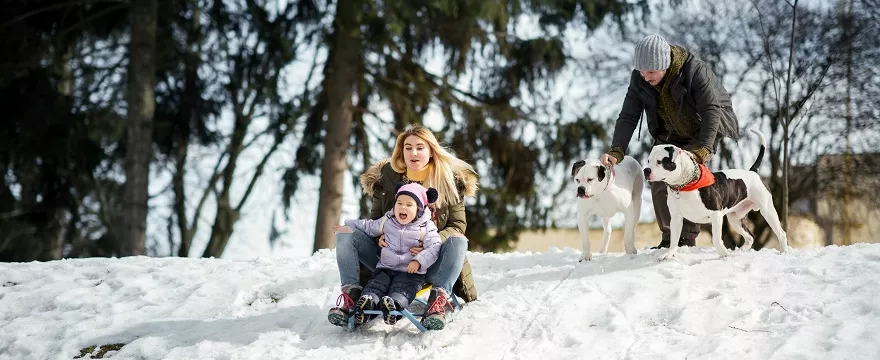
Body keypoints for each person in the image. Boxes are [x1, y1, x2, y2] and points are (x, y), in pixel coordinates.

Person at [328, 125, 479, 331]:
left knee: (459, 241)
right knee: (346, 234)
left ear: (431, 151)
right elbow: (375, 221)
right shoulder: (387, 177)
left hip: (428, 264)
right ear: (401, 151)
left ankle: (437, 303)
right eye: (408, 148)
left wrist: (427, 243)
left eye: (419, 147)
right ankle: (351, 297)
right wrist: (378, 237)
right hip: (388, 261)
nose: (413, 153)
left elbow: (457, 226)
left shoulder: (449, 180)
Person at [600, 34, 740, 249]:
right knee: (657, 176)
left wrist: (703, 148)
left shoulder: (694, 70)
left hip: (702, 129)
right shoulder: (639, 78)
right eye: (641, 71)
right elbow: (628, 115)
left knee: (686, 177)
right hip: (668, 132)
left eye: (651, 72)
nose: (645, 77)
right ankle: (669, 237)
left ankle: (687, 239)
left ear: (664, 64)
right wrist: (617, 150)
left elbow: (711, 110)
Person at [333, 183, 442, 326]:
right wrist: (348, 224)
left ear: (419, 209)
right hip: (385, 268)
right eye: (399, 203)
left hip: (410, 272)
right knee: (375, 286)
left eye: (409, 205)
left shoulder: (426, 227)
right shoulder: (387, 220)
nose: (403, 207)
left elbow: (435, 246)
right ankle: (367, 305)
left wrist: (419, 261)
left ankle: (394, 307)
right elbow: (368, 226)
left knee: (402, 289)